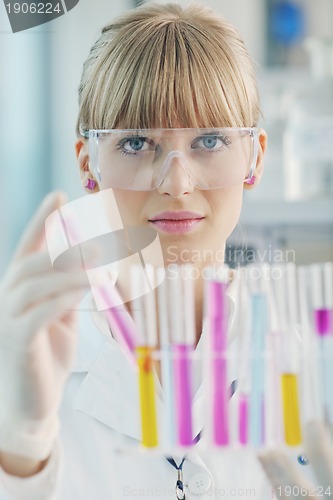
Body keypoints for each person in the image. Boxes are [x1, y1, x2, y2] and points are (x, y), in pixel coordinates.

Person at [0, 2, 329, 499]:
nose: (176, 183)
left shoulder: (314, 350)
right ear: (88, 163)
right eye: (136, 143)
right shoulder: (26, 361)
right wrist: (21, 447)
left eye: (210, 140)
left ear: (254, 158)